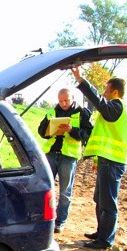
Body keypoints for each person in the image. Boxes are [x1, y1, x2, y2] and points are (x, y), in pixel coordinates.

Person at [70, 67, 127, 250]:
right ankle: (101, 232)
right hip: (107, 160)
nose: (104, 93)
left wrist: (82, 82)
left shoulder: (117, 105)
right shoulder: (116, 108)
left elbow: (100, 103)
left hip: (113, 162)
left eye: (106, 90)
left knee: (108, 203)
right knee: (100, 199)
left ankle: (105, 240)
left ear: (115, 91)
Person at [38, 88, 92, 233]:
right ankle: (43, 218)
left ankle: (60, 221)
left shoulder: (83, 113)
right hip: (51, 154)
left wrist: (71, 130)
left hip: (68, 156)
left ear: (73, 98)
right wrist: (50, 130)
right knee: (44, 188)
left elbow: (88, 134)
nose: (63, 103)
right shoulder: (52, 112)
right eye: (61, 100)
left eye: (66, 100)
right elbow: (41, 131)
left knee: (64, 192)